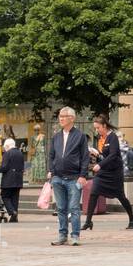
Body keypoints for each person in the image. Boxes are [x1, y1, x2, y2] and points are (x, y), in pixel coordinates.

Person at [82, 114, 133, 231]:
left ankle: (132, 218)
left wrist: (99, 165)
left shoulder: (112, 137)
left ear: (104, 126)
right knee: (94, 193)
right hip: (104, 172)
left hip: (114, 172)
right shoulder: (101, 139)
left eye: (98, 128)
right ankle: (88, 221)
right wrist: (97, 154)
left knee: (121, 196)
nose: (97, 130)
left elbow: (113, 155)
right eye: (95, 128)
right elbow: (104, 155)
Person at [47, 106, 90, 247]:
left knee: (74, 208)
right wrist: (52, 173)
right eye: (60, 116)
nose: (61, 118)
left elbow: (85, 157)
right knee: (60, 208)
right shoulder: (56, 137)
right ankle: (62, 235)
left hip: (74, 178)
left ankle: (75, 235)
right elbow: (51, 156)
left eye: (64, 116)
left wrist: (83, 175)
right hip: (58, 177)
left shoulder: (80, 136)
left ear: (72, 118)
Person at [0, 136, 25, 222]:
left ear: (8, 146)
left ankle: (12, 212)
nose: (5, 149)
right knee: (15, 198)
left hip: (8, 180)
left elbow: (4, 167)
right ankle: (14, 217)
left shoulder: (8, 153)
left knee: (4, 196)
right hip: (18, 179)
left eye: (5, 147)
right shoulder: (20, 153)